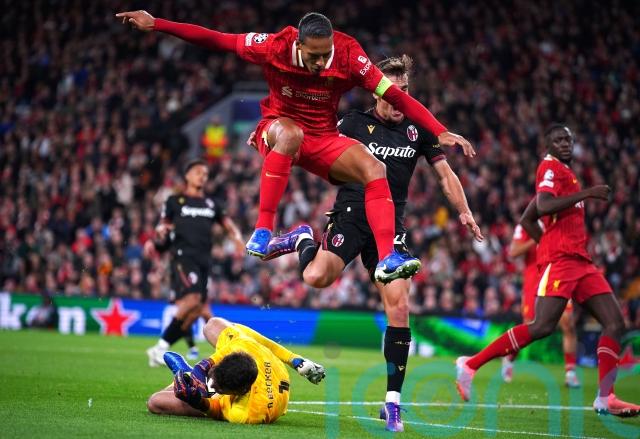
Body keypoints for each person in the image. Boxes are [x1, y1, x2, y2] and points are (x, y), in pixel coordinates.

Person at [115, 10, 476, 285]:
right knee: (290, 134)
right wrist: (157, 23)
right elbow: (217, 39)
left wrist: (439, 130)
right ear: (299, 46)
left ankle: (387, 258)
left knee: (374, 168)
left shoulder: (349, 55)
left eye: (326, 54)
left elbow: (395, 95)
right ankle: (263, 229)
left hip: (323, 138)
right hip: (279, 129)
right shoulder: (274, 46)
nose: (321, 63)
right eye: (314, 56)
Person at [260, 55, 483, 432]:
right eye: (392, 91)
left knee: (400, 306)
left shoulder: (418, 128)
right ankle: (302, 239)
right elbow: (314, 148)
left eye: (405, 91)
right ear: (377, 92)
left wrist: (464, 211)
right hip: (351, 214)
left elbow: (445, 175)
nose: (398, 99)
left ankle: (392, 402)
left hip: (390, 227)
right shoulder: (351, 123)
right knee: (316, 278)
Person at [455, 124, 640, 417]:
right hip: (562, 261)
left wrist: (546, 242)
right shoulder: (549, 167)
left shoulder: (565, 173)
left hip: (581, 261)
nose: (564, 143)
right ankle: (470, 364)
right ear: (549, 145)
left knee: (615, 323)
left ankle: (606, 397)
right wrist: (587, 194)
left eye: (568, 139)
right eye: (558, 140)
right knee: (542, 326)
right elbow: (542, 205)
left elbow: (527, 217)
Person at [144, 159, 245, 367]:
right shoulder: (175, 201)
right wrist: (158, 233)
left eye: (205, 174)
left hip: (203, 260)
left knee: (198, 309)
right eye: (198, 172)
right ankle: (160, 348)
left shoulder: (212, 204)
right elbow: (163, 224)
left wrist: (237, 238)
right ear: (187, 176)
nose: (202, 176)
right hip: (183, 257)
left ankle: (162, 347)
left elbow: (227, 224)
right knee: (192, 300)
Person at [147, 317, 325, 424]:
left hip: (268, 399)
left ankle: (187, 377)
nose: (215, 386)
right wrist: (295, 360)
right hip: (276, 371)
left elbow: (216, 409)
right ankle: (192, 377)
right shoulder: (244, 347)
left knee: (155, 402)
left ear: (238, 393)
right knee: (212, 325)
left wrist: (197, 401)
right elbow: (264, 342)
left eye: (218, 388)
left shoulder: (245, 413)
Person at [501, 219, 580, 387]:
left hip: (557, 276)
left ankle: (570, 373)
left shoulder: (562, 219)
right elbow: (513, 252)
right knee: (529, 325)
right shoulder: (528, 223)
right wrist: (538, 237)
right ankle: (509, 357)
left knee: (568, 322)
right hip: (534, 279)